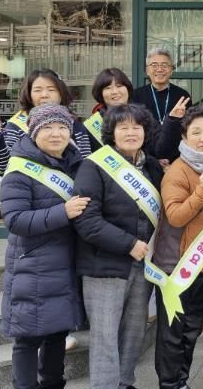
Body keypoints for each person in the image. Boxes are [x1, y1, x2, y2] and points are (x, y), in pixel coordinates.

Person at [73, 104, 164, 389]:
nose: (131, 132)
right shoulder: (94, 165)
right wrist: (129, 244)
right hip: (104, 265)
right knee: (105, 336)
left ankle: (125, 383)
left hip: (143, 265)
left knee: (134, 332)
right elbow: (87, 221)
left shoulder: (152, 167)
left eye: (137, 127)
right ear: (111, 133)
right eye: (123, 127)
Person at [0, 104, 89, 389]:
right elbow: (15, 220)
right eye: (47, 127)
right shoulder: (20, 168)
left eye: (62, 127)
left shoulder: (76, 163)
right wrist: (63, 212)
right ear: (34, 132)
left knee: (57, 333)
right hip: (32, 264)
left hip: (66, 263)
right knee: (27, 338)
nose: (56, 133)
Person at [153, 106, 203, 389]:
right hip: (176, 266)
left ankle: (181, 381)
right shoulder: (177, 171)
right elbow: (176, 216)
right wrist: (202, 190)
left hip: (202, 266)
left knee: (192, 329)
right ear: (184, 137)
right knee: (173, 332)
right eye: (196, 132)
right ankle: (169, 383)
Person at [0, 68, 92, 173]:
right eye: (37, 90)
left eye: (51, 89)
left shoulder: (74, 125)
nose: (44, 95)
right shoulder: (17, 125)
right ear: (28, 94)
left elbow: (86, 165)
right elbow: (3, 166)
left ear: (61, 93)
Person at [87, 67, 188, 160]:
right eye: (108, 88)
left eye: (119, 86)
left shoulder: (143, 116)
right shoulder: (93, 125)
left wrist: (173, 120)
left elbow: (162, 151)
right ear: (100, 93)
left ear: (127, 88)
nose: (115, 91)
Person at [131, 48, 192, 124]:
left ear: (171, 70)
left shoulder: (182, 95)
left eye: (164, 65)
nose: (159, 69)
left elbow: (188, 125)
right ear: (147, 71)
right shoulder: (136, 95)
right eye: (154, 65)